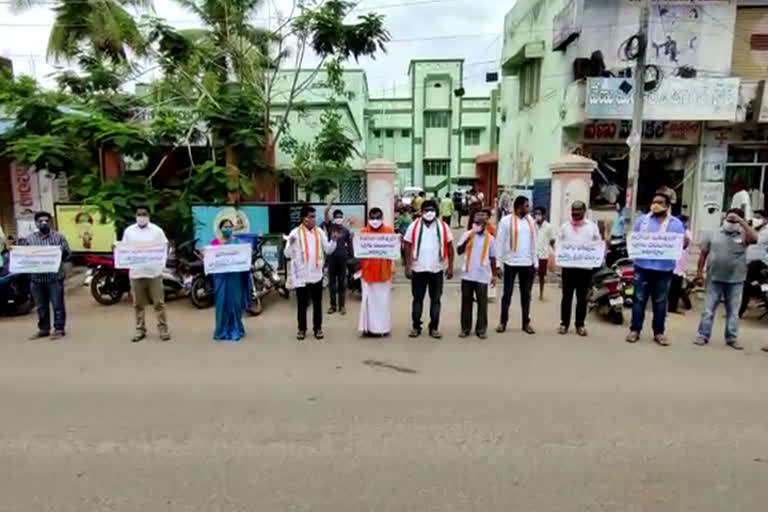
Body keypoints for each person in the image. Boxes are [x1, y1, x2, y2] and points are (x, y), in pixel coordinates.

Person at [625, 193, 687, 346]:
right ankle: (635, 330)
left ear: (667, 205)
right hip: (643, 267)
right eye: (653, 202)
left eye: (659, 202)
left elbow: (680, 245)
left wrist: (684, 242)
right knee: (639, 300)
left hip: (664, 269)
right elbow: (634, 240)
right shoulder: (642, 221)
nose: (655, 205)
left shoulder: (676, 224)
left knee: (660, 302)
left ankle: (659, 332)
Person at [694, 209, 758, 350]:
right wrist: (699, 273)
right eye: (729, 219)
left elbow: (755, 239)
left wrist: (742, 222)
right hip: (714, 278)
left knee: (733, 312)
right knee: (708, 310)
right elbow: (703, 254)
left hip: (736, 280)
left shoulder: (743, 234)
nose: (731, 222)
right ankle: (703, 335)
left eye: (734, 220)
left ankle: (731, 338)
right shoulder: (712, 233)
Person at [404, 199, 454, 339]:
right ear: (421, 212)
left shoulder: (443, 227)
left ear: (436, 211)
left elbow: (450, 247)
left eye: (432, 210)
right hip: (418, 269)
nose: (429, 213)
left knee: (436, 300)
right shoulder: (414, 226)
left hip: (436, 269)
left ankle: (434, 328)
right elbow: (407, 245)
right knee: (417, 299)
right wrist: (407, 266)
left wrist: (450, 266)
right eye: (426, 210)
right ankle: (416, 327)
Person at [285, 206, 337, 340]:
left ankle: (317, 328)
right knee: (302, 304)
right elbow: (287, 254)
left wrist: (334, 240)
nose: (314, 219)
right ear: (304, 218)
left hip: (316, 273)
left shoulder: (319, 232)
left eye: (314, 216)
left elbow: (329, 250)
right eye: (311, 216)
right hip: (301, 275)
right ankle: (301, 329)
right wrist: (290, 244)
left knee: (317, 303)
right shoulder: (294, 233)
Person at [121, 206, 171, 342]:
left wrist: (161, 263)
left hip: (154, 273)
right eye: (139, 214)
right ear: (135, 216)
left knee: (159, 303)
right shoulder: (129, 231)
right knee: (138, 304)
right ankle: (140, 329)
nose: (141, 216)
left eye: (144, 214)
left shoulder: (157, 231)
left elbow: (165, 247)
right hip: (136, 273)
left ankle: (163, 329)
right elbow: (124, 249)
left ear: (148, 215)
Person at [557, 201, 602, 336]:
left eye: (578, 210)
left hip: (585, 269)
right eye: (573, 210)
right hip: (568, 269)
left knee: (582, 298)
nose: (575, 213)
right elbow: (559, 244)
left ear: (584, 211)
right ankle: (564, 324)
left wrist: (597, 257)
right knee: (566, 297)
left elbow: (597, 244)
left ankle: (580, 325)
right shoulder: (565, 227)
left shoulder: (592, 227)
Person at [25, 211, 71, 340]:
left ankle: (59, 328)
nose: (43, 223)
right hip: (36, 278)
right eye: (40, 221)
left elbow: (68, 255)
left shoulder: (59, 237)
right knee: (41, 306)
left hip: (54, 277)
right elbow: (23, 255)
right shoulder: (30, 239)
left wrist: (58, 254)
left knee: (57, 304)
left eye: (46, 221)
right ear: (36, 223)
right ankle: (43, 329)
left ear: (50, 222)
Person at [496, 196, 538, 334]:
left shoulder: (530, 221)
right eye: (526, 206)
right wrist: (498, 264)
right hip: (510, 262)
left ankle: (526, 323)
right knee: (507, 294)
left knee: (526, 295)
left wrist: (535, 262)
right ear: (518, 207)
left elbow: (534, 243)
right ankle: (503, 322)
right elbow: (500, 243)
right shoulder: (506, 221)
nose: (528, 208)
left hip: (527, 263)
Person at [457, 208, 497, 339]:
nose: (477, 225)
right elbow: (459, 250)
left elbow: (492, 257)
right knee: (466, 302)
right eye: (475, 223)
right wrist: (468, 239)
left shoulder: (490, 239)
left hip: (482, 275)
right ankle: (465, 328)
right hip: (467, 274)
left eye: (480, 223)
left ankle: (481, 329)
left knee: (482, 303)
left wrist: (494, 275)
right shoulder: (467, 234)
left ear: (485, 225)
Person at [210, 219, 251, 342]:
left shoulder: (238, 243)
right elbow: (210, 259)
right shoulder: (215, 243)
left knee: (235, 302)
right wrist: (204, 254)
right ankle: (221, 329)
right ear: (220, 228)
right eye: (225, 226)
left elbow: (244, 256)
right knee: (222, 303)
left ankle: (236, 328)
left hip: (234, 277)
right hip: (220, 278)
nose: (227, 229)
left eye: (230, 226)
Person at [358, 208, 395, 337]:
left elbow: (393, 251)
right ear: (368, 219)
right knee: (368, 302)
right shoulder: (362, 232)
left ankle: (382, 329)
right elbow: (358, 251)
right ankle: (367, 328)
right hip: (368, 273)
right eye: (372, 218)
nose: (375, 221)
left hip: (384, 273)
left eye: (377, 217)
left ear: (382, 218)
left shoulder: (389, 232)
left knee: (382, 302)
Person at [323, 202, 352, 315]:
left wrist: (351, 256)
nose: (339, 219)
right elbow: (326, 213)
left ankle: (342, 306)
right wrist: (329, 206)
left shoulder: (345, 230)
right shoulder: (330, 227)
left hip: (342, 259)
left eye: (340, 217)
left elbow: (349, 244)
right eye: (337, 217)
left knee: (342, 283)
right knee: (332, 284)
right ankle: (332, 306)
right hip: (331, 259)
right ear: (334, 218)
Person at [741, 209, 768, 317]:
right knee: (745, 285)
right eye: (755, 217)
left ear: (765, 219)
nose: (755, 219)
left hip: (761, 263)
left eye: (758, 217)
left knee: (747, 285)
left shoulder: (766, 231)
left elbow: (756, 240)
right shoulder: (756, 229)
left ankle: (742, 309)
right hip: (749, 261)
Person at [668, 214, 692, 314]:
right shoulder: (671, 232)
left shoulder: (687, 233)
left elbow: (687, 242)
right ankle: (672, 306)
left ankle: (673, 306)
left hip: (680, 264)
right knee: (673, 286)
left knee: (677, 286)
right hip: (671, 263)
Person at [533, 206, 555, 301]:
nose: (537, 216)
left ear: (543, 215)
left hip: (543, 254)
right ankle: (528, 292)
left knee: (541, 276)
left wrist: (554, 250)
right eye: (536, 214)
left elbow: (552, 240)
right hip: (533, 254)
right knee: (530, 275)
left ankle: (541, 293)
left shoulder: (548, 227)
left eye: (539, 214)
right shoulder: (532, 225)